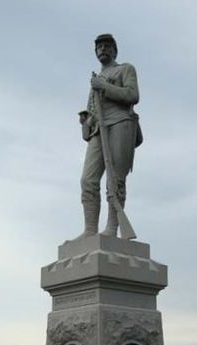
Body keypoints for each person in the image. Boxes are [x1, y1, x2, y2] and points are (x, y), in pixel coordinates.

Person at [75, 34, 142, 239]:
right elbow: (93, 109)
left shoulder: (125, 69)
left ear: (114, 50)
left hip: (121, 123)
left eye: (107, 46)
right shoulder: (96, 78)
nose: (102, 49)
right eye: (99, 47)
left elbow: (132, 95)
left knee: (115, 180)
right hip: (98, 130)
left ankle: (112, 228)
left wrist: (103, 87)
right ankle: (90, 230)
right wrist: (86, 122)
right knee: (88, 180)